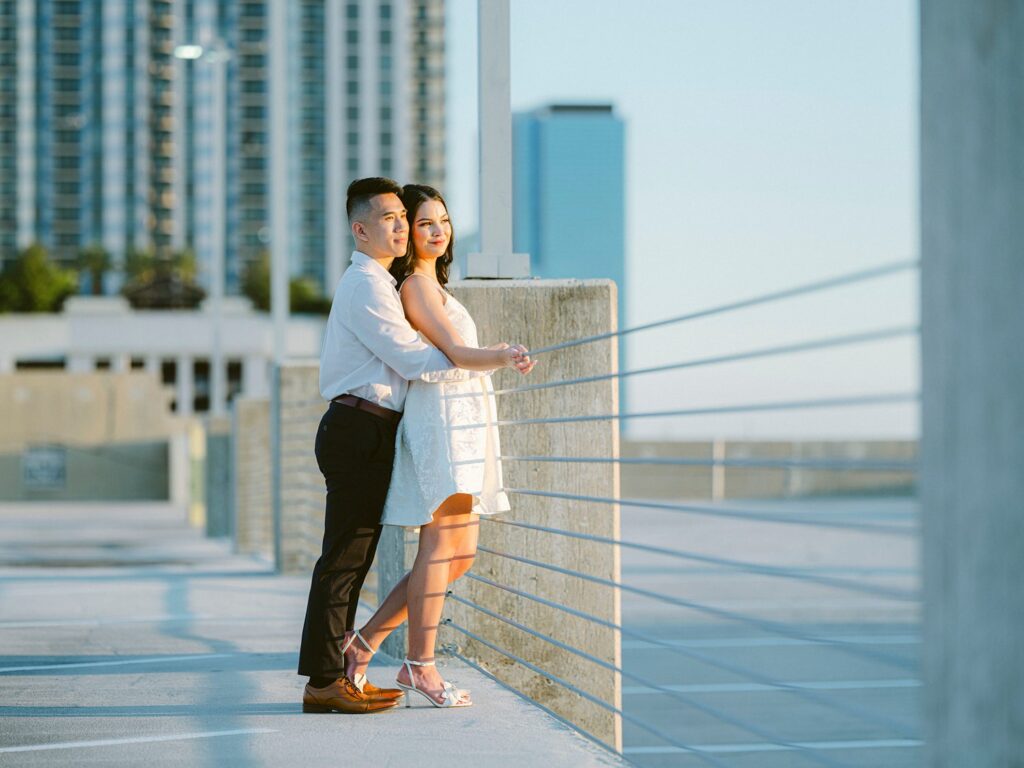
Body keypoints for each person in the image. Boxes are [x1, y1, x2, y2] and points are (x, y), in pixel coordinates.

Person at [298, 177, 532, 715]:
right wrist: (489, 355)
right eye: (395, 219)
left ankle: (350, 658)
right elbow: (415, 360)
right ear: (360, 230)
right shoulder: (370, 286)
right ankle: (329, 680)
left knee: (371, 559)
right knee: (344, 561)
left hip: (376, 424)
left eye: (411, 218)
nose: (406, 227)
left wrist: (473, 358)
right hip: (362, 424)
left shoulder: (382, 282)